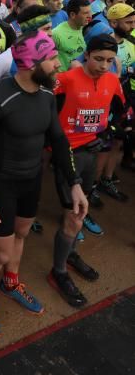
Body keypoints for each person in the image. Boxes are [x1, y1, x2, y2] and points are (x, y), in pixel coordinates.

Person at [0, 31, 86, 337]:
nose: (58, 64)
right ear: (31, 63)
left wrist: (74, 182)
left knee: (21, 234)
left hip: (31, 179)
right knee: (1, 252)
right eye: (51, 59)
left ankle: (10, 283)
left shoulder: (47, 95)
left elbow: (59, 140)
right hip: (2, 184)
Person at [49, 35, 126, 307]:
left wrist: (112, 128)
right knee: (73, 215)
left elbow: (119, 108)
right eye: (98, 59)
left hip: (93, 151)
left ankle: (70, 254)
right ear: (87, 55)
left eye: (109, 60)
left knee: (81, 210)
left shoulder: (113, 80)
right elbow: (45, 102)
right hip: (67, 153)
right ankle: (58, 272)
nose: (104, 65)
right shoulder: (67, 79)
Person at [52, 0, 91, 71]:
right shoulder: (56, 34)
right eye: (85, 13)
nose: (89, 16)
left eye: (90, 12)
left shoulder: (86, 28)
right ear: (73, 15)